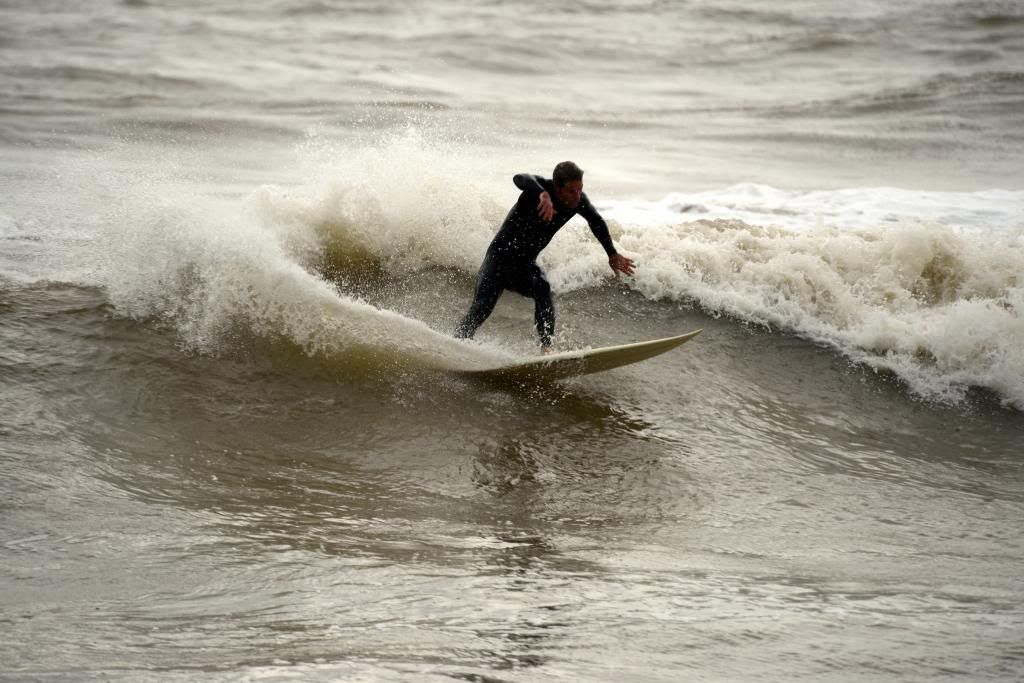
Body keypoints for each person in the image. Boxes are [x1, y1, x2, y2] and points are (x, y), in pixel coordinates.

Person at [454, 161, 636, 351]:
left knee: (542, 286)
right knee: (480, 310)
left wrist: (612, 254)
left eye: (580, 189)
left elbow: (596, 221)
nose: (577, 196)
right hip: (498, 260)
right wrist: (542, 195)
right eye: (571, 191)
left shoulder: (578, 201)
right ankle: (457, 345)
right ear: (557, 186)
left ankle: (546, 349)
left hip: (524, 266)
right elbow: (519, 178)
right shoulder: (537, 192)